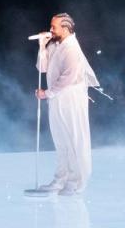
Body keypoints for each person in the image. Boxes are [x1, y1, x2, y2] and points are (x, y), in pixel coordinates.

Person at [34, 13, 100, 196]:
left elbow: (68, 77)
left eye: (54, 26)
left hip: (71, 97)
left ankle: (77, 182)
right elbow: (42, 68)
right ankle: (60, 179)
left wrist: (47, 93)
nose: (50, 30)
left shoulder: (72, 48)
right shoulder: (55, 44)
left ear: (65, 28)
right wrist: (42, 46)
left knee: (74, 138)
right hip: (57, 98)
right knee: (61, 139)